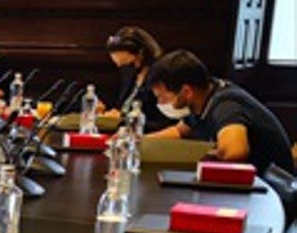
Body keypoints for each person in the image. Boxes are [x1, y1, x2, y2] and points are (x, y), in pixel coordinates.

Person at [146, 50, 294, 174]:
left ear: (186, 91)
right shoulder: (205, 96)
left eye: (163, 97)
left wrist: (200, 157)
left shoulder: (225, 105)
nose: (161, 103)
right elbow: (180, 131)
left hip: (272, 191)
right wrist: (139, 141)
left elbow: (235, 152)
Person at [104, 26, 173, 131]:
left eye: (129, 65)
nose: (126, 70)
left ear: (141, 54)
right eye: (121, 66)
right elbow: (122, 107)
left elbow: (166, 123)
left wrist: (124, 119)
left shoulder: (162, 76)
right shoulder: (130, 75)